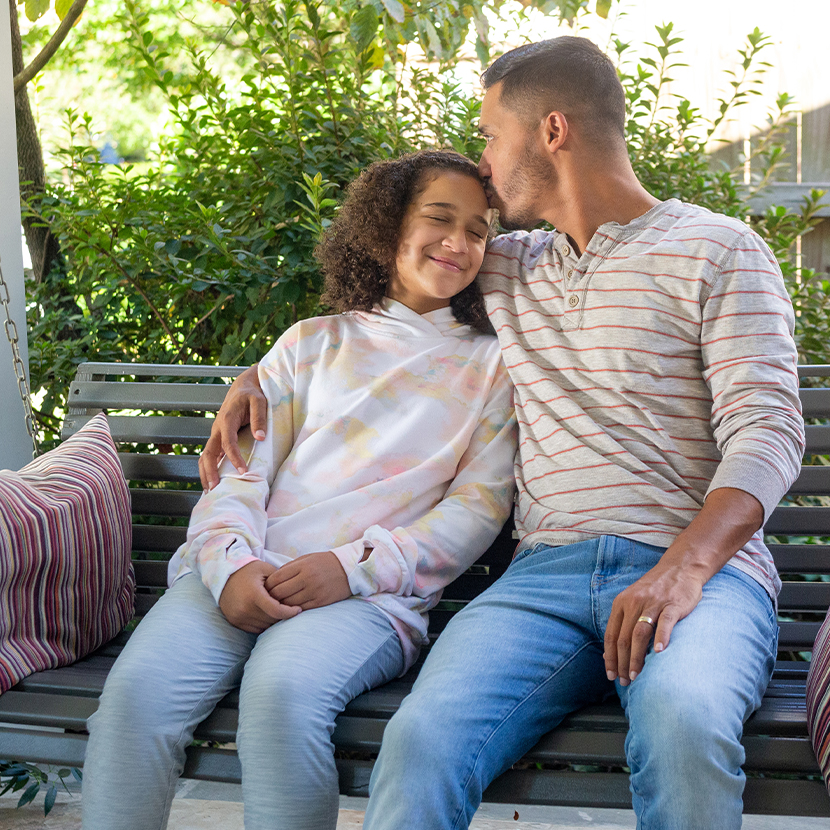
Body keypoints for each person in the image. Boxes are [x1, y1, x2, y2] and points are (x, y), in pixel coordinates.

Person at [200, 38, 806, 829]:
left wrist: (681, 570)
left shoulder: (720, 250)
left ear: (550, 132)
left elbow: (767, 429)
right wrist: (250, 378)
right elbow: (385, 292)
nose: (481, 165)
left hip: (697, 575)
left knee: (685, 724)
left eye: (489, 135)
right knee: (420, 740)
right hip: (541, 582)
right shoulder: (506, 264)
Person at [80, 150, 518, 830]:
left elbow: (477, 508)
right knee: (136, 698)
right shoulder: (308, 345)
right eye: (438, 218)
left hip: (370, 597)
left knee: (281, 695)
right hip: (240, 571)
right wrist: (228, 565)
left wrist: (349, 568)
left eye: (479, 229)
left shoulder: (492, 366)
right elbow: (241, 470)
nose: (458, 242)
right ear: (385, 227)